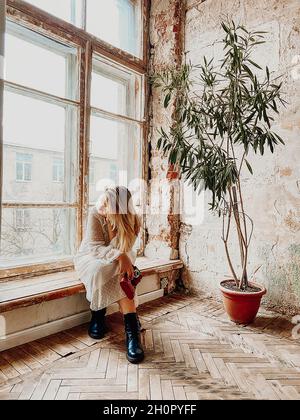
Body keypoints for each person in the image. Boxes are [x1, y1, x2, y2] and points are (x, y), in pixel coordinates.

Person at [74, 186, 144, 364]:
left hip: (121, 255)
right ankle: (106, 315)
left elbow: (126, 248)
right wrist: (120, 256)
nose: (101, 208)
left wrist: (122, 256)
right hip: (91, 256)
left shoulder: (134, 221)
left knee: (120, 270)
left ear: (120, 212)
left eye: (106, 206)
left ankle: (131, 333)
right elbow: (95, 248)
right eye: (102, 202)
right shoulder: (95, 213)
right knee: (102, 269)